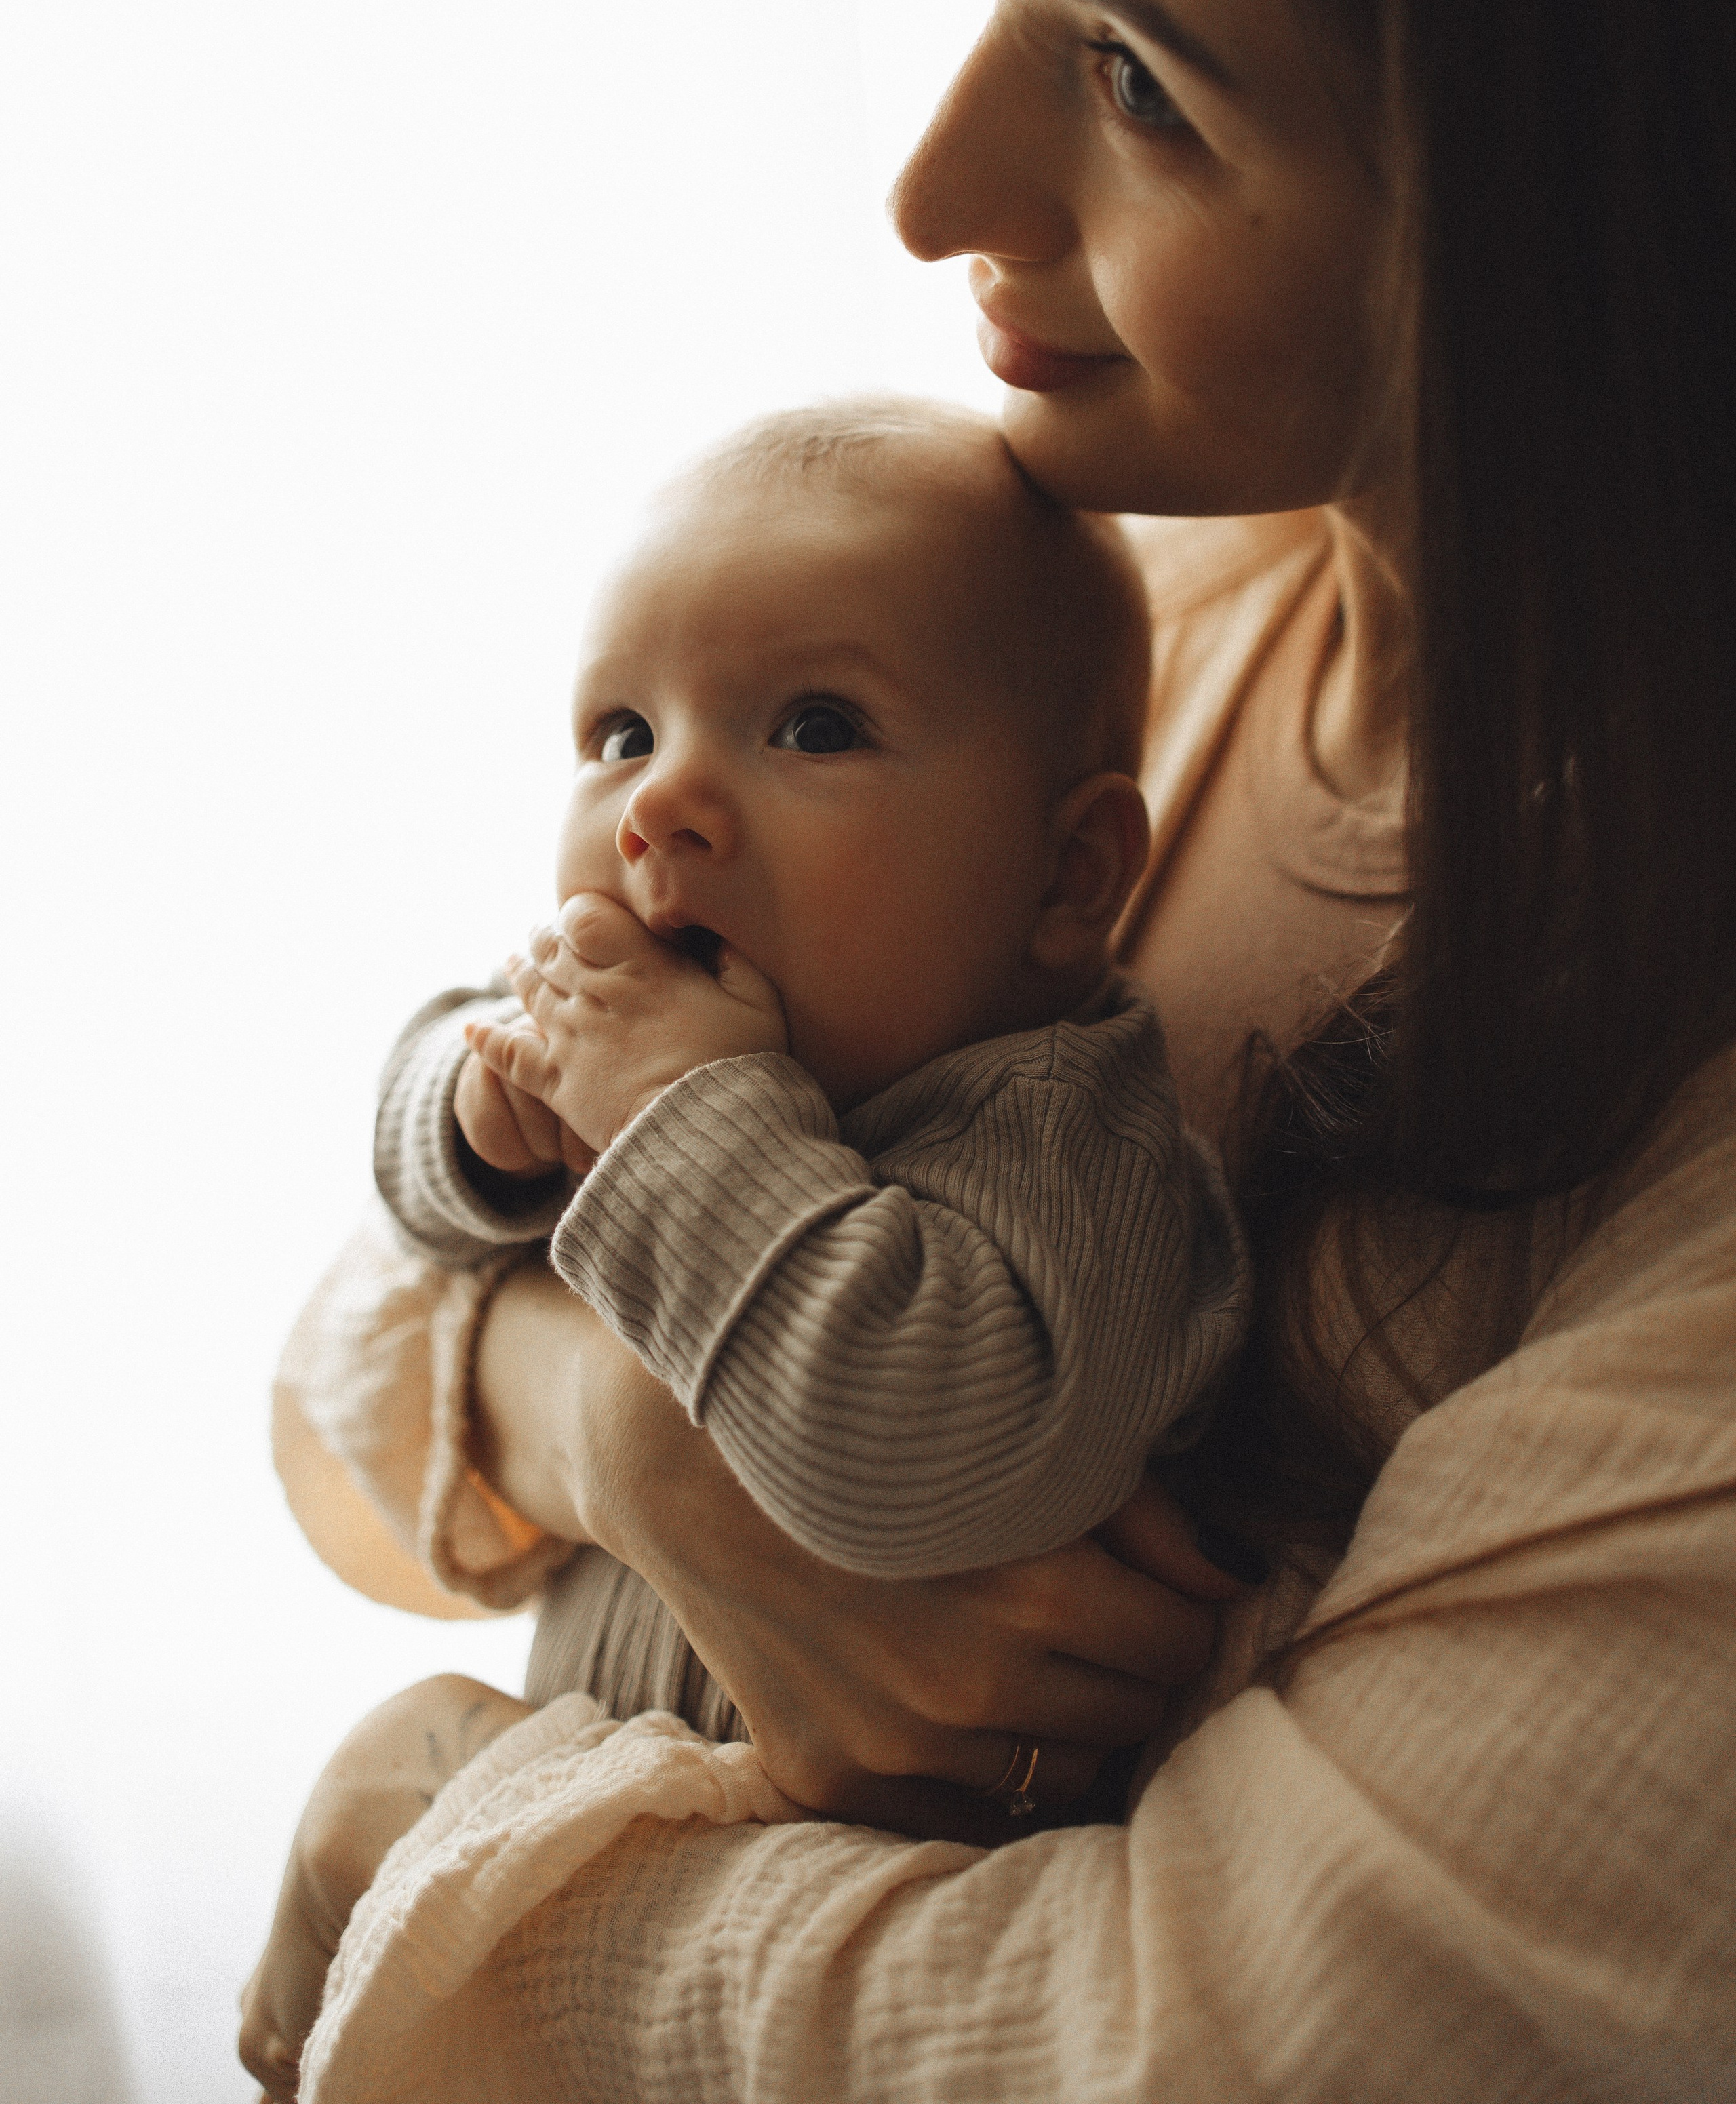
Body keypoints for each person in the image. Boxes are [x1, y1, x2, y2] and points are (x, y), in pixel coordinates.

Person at [243, 0, 1736, 2095]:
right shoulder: (1100, 604)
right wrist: (623, 1440)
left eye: (1137, 81)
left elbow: (1242, 2034)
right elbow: (340, 1399)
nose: (931, 189)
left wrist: (448, 1836)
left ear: (1589, 205)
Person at [366, 397, 1249, 1750]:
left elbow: (916, 1468)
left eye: (817, 728)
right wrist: (479, 1120)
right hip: (597, 1795)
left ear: (1066, 874)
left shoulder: (1064, 1140)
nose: (659, 804)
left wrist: (679, 1119)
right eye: (621, 734)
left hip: (857, 1878)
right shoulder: (643, 1014)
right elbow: (402, 1172)